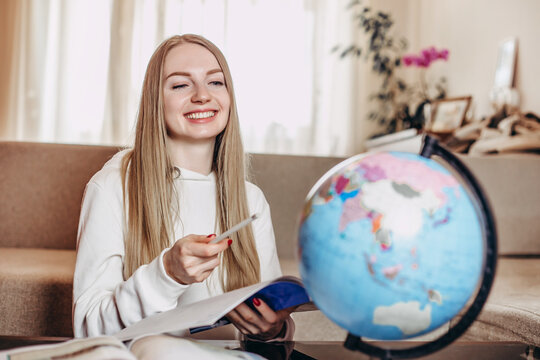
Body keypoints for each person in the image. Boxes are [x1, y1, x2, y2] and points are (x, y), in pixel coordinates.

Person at [73, 34, 295, 341]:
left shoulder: (251, 200)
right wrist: (166, 274)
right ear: (155, 101)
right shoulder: (111, 187)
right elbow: (88, 329)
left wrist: (275, 328)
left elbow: (268, 323)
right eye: (180, 85)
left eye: (216, 82)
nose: (203, 95)